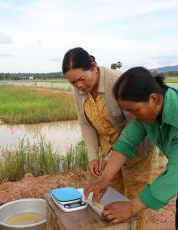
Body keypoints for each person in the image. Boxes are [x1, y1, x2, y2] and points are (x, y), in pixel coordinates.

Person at [84, 66, 178, 229]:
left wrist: (132, 206)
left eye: (133, 110)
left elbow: (174, 176)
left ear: (154, 99)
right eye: (127, 111)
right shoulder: (151, 110)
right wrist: (104, 179)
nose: (132, 117)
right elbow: (126, 142)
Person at [62, 47, 154, 229]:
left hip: (134, 149)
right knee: (108, 194)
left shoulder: (118, 83)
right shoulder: (78, 91)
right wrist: (93, 156)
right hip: (107, 148)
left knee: (134, 198)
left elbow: (135, 123)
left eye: (81, 79)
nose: (79, 86)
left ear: (94, 67)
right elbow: (85, 124)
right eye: (73, 83)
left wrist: (114, 153)